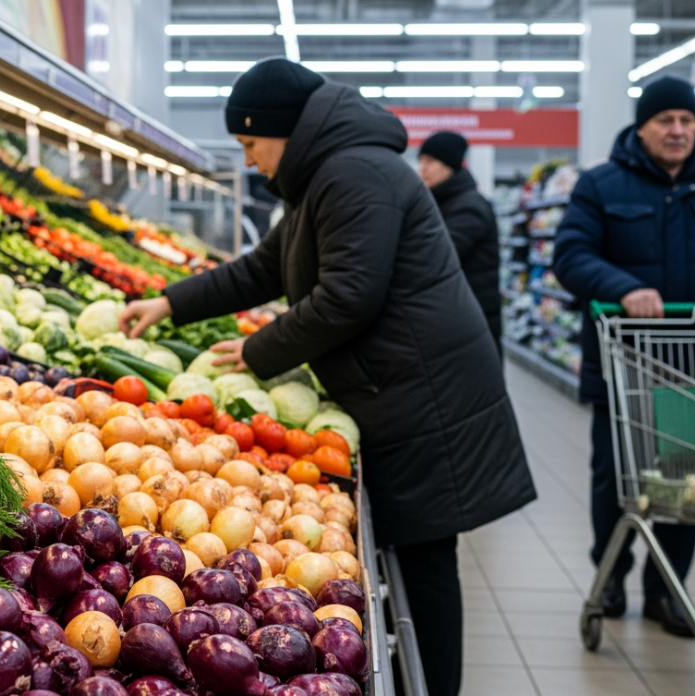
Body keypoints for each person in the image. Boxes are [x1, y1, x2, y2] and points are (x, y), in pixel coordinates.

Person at [119, 58, 536, 696]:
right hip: (400, 387)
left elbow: (349, 296)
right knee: (419, 561)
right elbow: (266, 267)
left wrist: (259, 352)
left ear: (281, 130)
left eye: (250, 144)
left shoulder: (353, 172)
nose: (252, 160)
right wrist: (172, 301)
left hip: (426, 397)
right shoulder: (331, 173)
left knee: (426, 565)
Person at [553, 76, 695, 636]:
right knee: (617, 478)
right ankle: (609, 576)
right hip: (622, 364)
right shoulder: (601, 184)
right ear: (643, 126)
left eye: (686, 120)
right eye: (665, 121)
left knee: (689, 479)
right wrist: (622, 287)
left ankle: (667, 590)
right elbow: (571, 255)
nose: (677, 130)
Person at [419, 131, 502, 355]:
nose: (422, 168)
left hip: (473, 318)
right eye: (421, 161)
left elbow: (441, 254)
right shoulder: (444, 202)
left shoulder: (469, 206)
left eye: (430, 161)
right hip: (458, 316)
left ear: (450, 165)